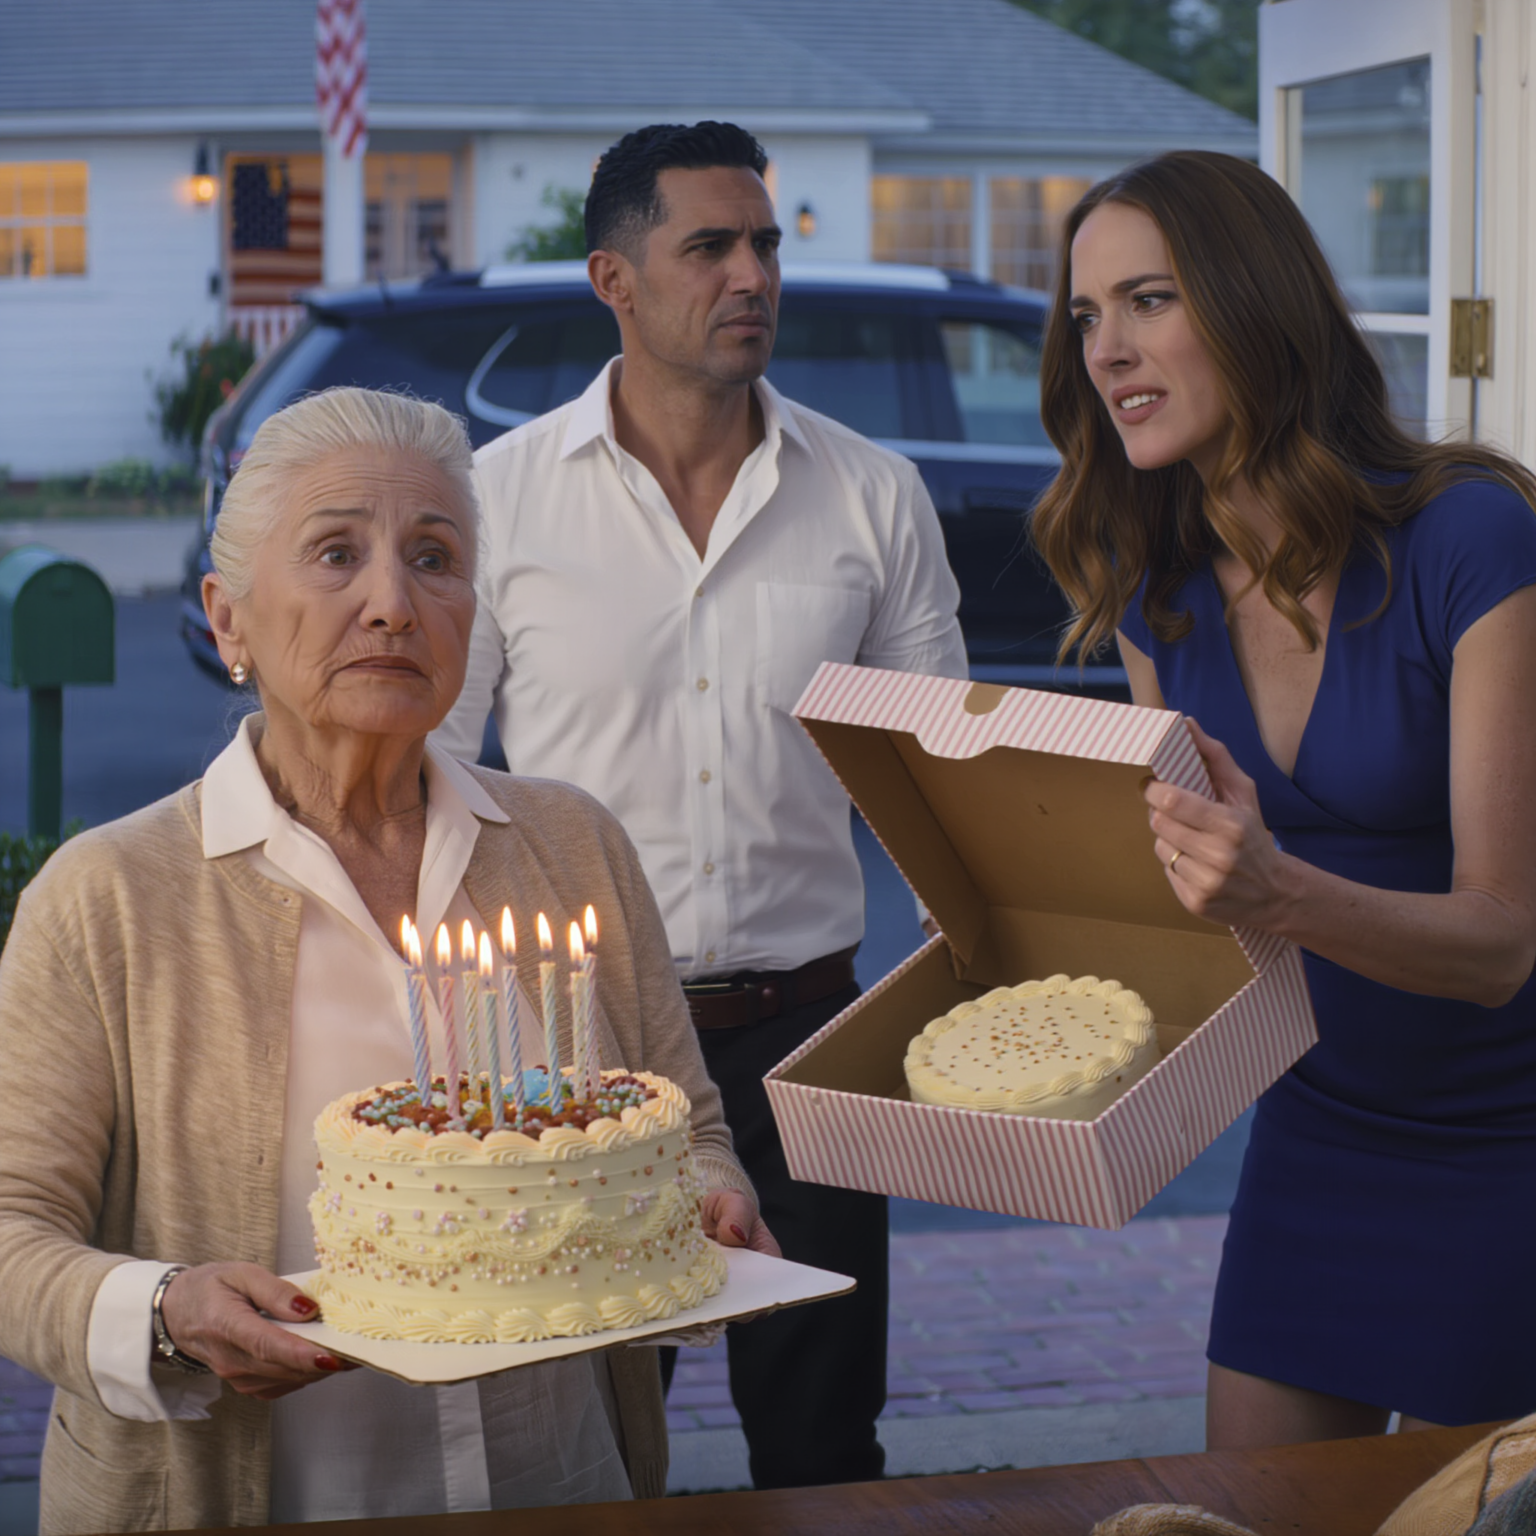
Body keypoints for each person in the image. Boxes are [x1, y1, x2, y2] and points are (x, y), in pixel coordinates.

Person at [0, 387, 772, 1533]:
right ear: (229, 620)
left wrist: (708, 1204)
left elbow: (687, 1129)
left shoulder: (573, 847)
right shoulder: (108, 900)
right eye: (334, 553)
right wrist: (165, 1309)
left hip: (557, 1491)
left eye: (434, 556)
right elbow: (14, 1234)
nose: (393, 603)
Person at [433, 121, 967, 1489]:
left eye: (767, 245)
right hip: (584, 1050)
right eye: (710, 247)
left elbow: (948, 787)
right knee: (590, 1442)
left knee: (824, 1441)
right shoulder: (499, 502)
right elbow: (431, 776)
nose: (753, 276)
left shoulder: (874, 494)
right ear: (614, 277)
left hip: (810, 1040)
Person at [1031, 150, 1536, 1448]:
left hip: (1509, 1146)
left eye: (1146, 299)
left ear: (1256, 306)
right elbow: (1210, 920)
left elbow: (1502, 943)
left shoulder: (1472, 543)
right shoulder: (1159, 593)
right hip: (1317, 1132)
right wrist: (1029, 925)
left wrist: (1278, 889)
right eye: (1087, 316)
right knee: (1245, 1513)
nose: (1106, 349)